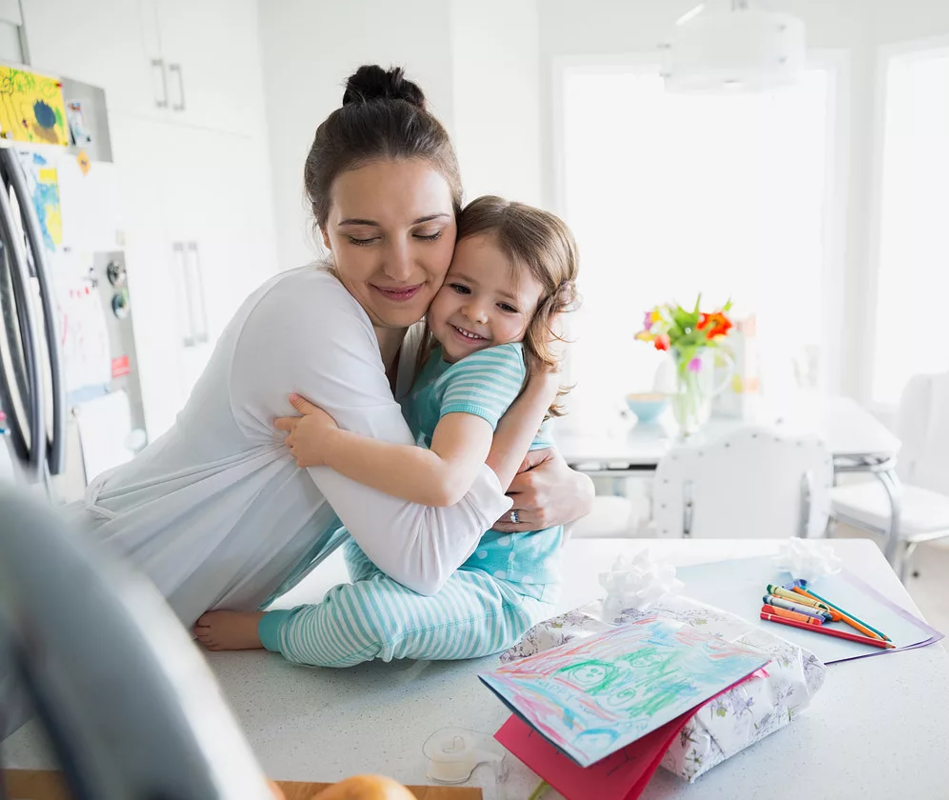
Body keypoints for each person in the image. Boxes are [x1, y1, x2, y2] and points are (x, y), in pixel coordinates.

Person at [73, 65, 593, 630]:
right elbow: (425, 556)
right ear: (324, 232)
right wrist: (540, 389)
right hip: (87, 594)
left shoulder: (428, 332)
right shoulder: (311, 316)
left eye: (427, 233)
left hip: (151, 624)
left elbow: (468, 459)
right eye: (363, 237)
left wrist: (575, 492)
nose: (400, 266)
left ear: (457, 229)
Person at [193, 195, 580, 666]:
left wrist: (332, 446)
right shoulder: (442, 353)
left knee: (368, 621)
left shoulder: (492, 364)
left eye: (505, 305)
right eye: (461, 287)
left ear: (538, 318)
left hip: (498, 593)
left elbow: (443, 480)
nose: (476, 313)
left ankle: (273, 631)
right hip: (437, 570)